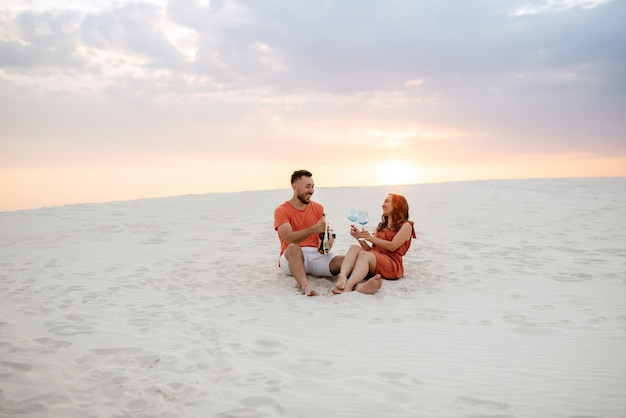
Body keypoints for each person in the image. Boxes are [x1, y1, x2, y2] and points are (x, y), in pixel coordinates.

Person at [274, 170, 343, 296]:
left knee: (345, 260)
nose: (311, 190)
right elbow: (289, 238)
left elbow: (326, 243)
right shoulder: (281, 210)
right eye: (307, 186)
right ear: (295, 187)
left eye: (312, 186)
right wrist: (313, 229)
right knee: (293, 248)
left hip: (316, 256)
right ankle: (305, 286)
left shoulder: (318, 208)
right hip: (292, 257)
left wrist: (330, 238)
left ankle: (350, 285)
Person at [332, 193, 416, 295]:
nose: (382, 205)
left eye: (386, 201)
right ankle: (342, 276)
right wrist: (360, 238)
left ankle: (348, 286)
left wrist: (371, 238)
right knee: (354, 248)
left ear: (397, 205)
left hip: (392, 265)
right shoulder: (382, 226)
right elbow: (371, 251)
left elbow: (393, 246)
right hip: (377, 261)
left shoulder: (406, 226)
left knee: (364, 255)